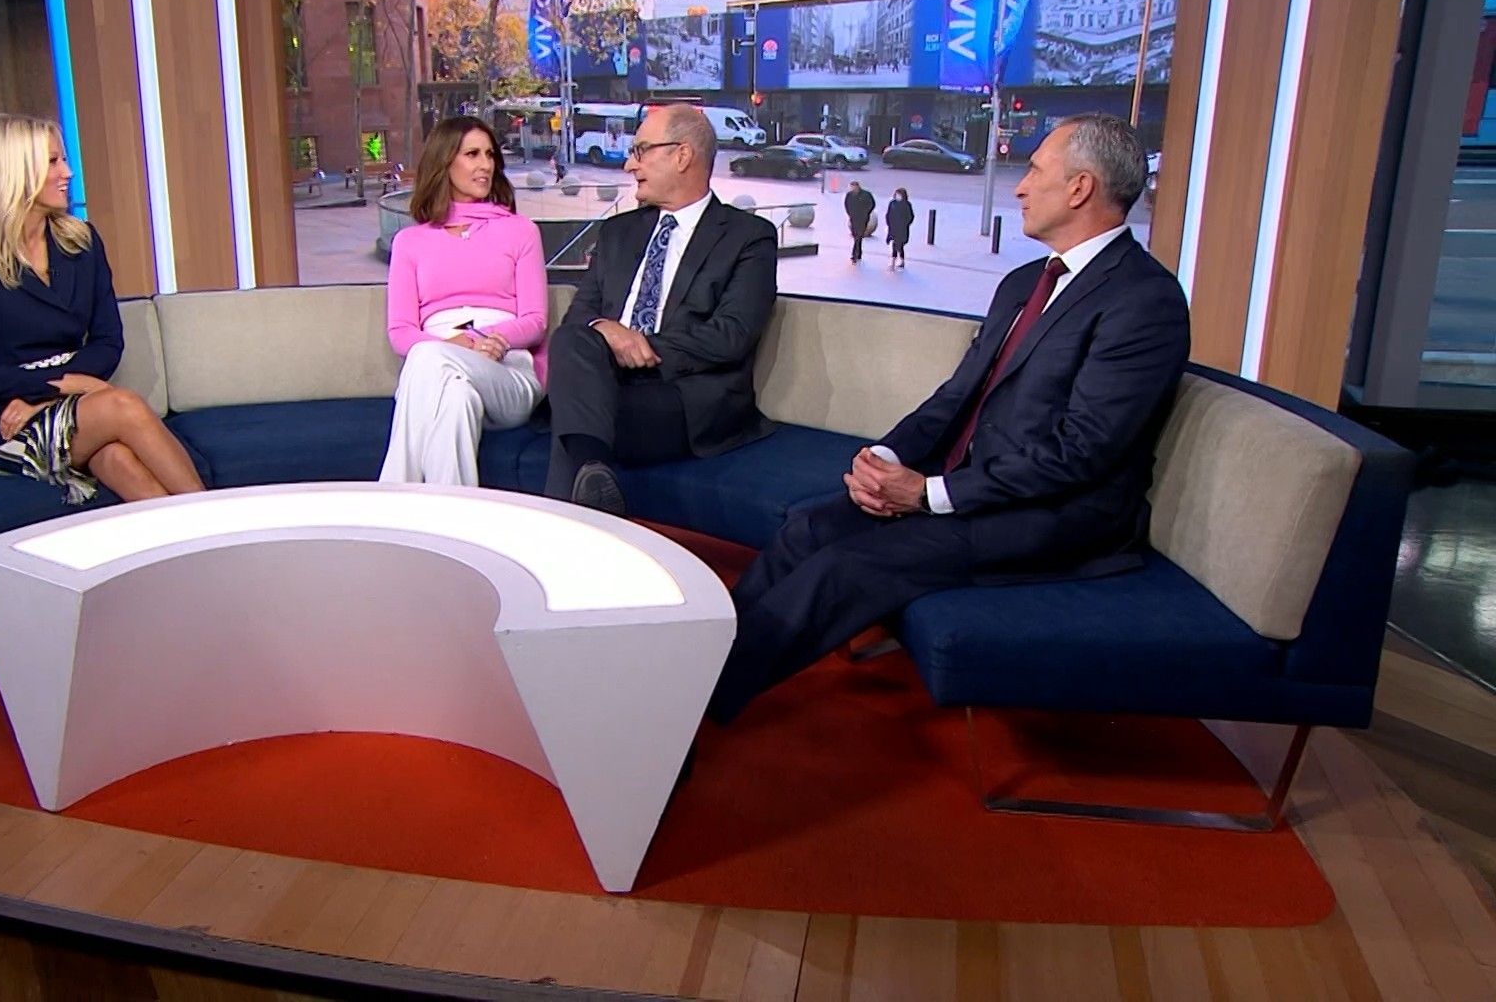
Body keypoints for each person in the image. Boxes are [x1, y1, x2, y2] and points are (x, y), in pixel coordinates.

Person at [707, 113, 1190, 723]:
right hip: (968, 488)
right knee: (807, 530)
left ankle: (695, 705)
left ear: (1080, 188)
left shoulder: (1144, 301)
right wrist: (883, 458)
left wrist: (929, 494)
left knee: (845, 568)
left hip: (1055, 515)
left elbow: (1083, 451)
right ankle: (699, 664)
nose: (1020, 186)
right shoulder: (1025, 282)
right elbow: (956, 396)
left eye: (1034, 171)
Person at [0, 113, 204, 505]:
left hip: (70, 407)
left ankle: (192, 540)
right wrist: (64, 386)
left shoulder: (81, 242)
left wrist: (54, 395)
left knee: (117, 458)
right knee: (124, 406)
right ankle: (217, 518)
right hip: (5, 421)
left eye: (63, 159)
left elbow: (108, 342)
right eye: (53, 162)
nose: (68, 172)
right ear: (15, 171)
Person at [544, 103, 778, 516]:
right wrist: (605, 328)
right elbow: (579, 320)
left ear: (682, 155)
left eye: (641, 151)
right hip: (606, 383)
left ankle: (578, 497)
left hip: (684, 397)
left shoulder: (749, 237)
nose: (629, 165)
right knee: (570, 340)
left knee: (577, 418)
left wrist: (638, 345)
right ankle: (592, 481)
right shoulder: (617, 232)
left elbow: (731, 336)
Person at [380, 117, 547, 486]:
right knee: (455, 398)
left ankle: (393, 495)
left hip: (506, 369)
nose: (485, 165)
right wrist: (455, 345)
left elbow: (535, 320)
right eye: (472, 154)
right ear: (444, 162)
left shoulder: (521, 231)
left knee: (428, 358)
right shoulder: (410, 242)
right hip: (440, 366)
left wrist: (478, 340)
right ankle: (452, 516)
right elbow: (400, 332)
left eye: (489, 155)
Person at [844, 181, 876, 262]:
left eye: (854, 187)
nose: (852, 189)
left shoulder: (866, 194)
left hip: (863, 218)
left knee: (859, 236)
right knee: (856, 236)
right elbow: (846, 205)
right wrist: (850, 214)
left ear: (858, 186)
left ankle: (855, 254)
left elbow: (872, 204)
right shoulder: (849, 195)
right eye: (851, 187)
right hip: (853, 218)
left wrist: (866, 213)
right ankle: (858, 253)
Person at [885, 188, 915, 269]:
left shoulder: (907, 205)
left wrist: (905, 224)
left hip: (902, 229)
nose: (897, 196)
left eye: (899, 194)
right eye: (896, 194)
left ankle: (899, 260)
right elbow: (888, 214)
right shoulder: (892, 203)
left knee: (899, 245)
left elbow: (910, 216)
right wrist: (889, 223)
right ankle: (895, 261)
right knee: (894, 244)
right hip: (893, 228)